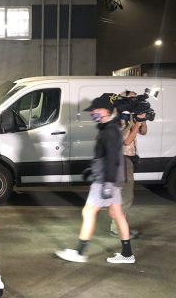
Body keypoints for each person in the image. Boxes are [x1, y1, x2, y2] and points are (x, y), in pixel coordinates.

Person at [55, 93, 135, 265]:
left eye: (96, 109)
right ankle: (127, 253)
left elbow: (114, 158)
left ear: (107, 110)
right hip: (108, 178)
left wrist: (107, 183)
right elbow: (106, 156)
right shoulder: (108, 127)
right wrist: (92, 169)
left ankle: (80, 252)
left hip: (106, 180)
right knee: (116, 213)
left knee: (89, 212)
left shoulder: (111, 130)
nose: (93, 113)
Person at [110, 90, 148, 239]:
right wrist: (136, 123)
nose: (135, 101)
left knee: (125, 195)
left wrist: (142, 120)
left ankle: (122, 226)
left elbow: (144, 132)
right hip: (121, 157)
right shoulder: (119, 116)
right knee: (125, 196)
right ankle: (117, 228)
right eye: (133, 99)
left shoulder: (132, 114)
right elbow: (126, 140)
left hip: (128, 157)